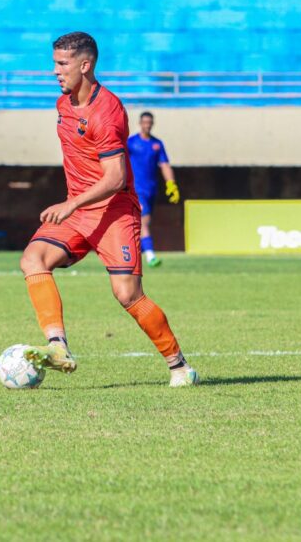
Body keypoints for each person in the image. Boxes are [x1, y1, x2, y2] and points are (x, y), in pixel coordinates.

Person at [19, 32, 198, 387]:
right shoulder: (63, 104)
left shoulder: (107, 112)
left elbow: (115, 178)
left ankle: (179, 366)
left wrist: (71, 203)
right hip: (79, 212)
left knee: (127, 294)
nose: (55, 71)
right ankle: (57, 346)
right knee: (32, 259)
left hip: (114, 212)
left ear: (85, 65)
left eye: (62, 64)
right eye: (54, 63)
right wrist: (74, 204)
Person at [127, 112, 180, 267]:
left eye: (149, 122)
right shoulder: (131, 142)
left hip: (151, 189)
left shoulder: (157, 144)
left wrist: (171, 184)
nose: (147, 125)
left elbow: (164, 164)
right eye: (144, 122)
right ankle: (150, 256)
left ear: (152, 123)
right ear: (140, 123)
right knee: (144, 220)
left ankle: (134, 254)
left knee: (143, 223)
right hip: (136, 189)